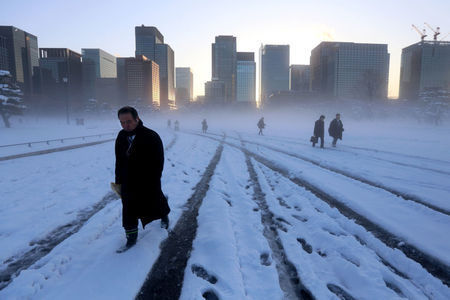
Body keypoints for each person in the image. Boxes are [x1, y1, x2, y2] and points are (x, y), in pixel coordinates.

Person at [115, 106, 170, 249]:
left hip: (148, 179)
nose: (125, 125)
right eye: (122, 122)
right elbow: (119, 161)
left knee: (156, 200)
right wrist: (118, 182)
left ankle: (164, 215)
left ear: (137, 118)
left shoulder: (151, 136)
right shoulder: (121, 136)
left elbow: (159, 161)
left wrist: (154, 179)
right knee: (128, 209)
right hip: (128, 181)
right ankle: (131, 237)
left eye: (128, 121)